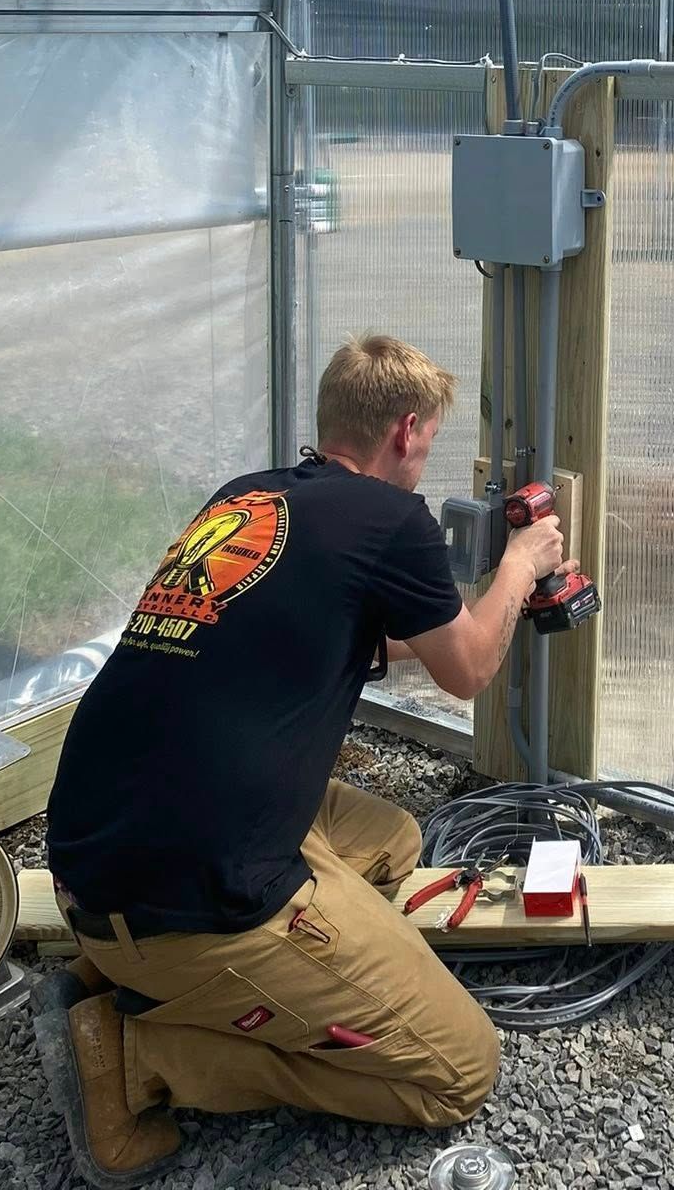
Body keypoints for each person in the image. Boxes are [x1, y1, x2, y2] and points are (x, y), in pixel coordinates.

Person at [35, 334, 568, 1189]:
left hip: (88, 858)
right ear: (404, 432)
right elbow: (467, 669)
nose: (423, 459)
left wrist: (451, 605)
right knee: (460, 1069)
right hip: (195, 900)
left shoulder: (249, 501)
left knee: (393, 840)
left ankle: (129, 974)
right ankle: (136, 1057)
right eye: (428, 442)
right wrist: (519, 565)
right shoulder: (394, 519)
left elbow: (344, 632)